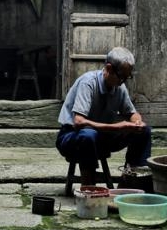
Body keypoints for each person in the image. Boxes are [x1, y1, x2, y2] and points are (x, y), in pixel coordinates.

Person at [56, 46, 152, 186]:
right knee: (88, 135)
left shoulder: (119, 86)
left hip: (102, 138)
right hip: (72, 137)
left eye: (127, 77)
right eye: (121, 77)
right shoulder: (88, 83)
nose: (123, 81)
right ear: (108, 69)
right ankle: (89, 190)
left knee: (145, 131)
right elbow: (79, 122)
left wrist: (137, 122)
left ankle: (133, 182)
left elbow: (131, 113)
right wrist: (116, 127)